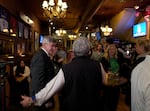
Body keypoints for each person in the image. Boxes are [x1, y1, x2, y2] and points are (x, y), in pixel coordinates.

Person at [20, 37, 106, 111]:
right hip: (94, 107)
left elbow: (50, 89)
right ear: (89, 52)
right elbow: (105, 81)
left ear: (74, 52)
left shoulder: (66, 69)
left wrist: (32, 99)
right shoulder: (98, 65)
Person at [30, 35, 57, 111]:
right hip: (41, 100)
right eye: (52, 46)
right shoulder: (40, 57)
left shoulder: (44, 56)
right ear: (44, 44)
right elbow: (37, 82)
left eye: (55, 46)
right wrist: (43, 101)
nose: (54, 48)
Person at [131, 40, 150, 111]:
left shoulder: (141, 62)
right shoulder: (141, 58)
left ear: (142, 47)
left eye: (136, 46)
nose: (135, 47)